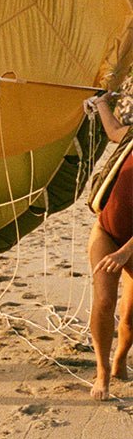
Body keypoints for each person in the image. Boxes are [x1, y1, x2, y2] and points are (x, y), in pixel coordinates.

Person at [83, 91, 133, 400]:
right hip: (107, 230)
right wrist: (99, 102)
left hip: (130, 245)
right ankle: (102, 371)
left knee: (130, 316)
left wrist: (126, 252)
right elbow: (115, 131)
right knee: (103, 302)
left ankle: (121, 357)